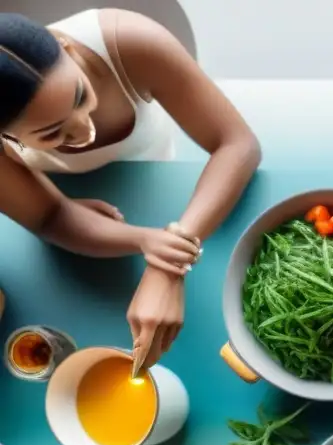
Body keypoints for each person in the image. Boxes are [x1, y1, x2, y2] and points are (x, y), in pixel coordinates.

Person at [0, 10, 260, 369]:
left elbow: (238, 145)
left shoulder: (130, 42)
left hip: (161, 178)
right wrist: (142, 239)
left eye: (79, 96)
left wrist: (168, 262)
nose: (83, 130)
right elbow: (50, 216)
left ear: (69, 50)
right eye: (52, 133)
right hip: (84, 213)